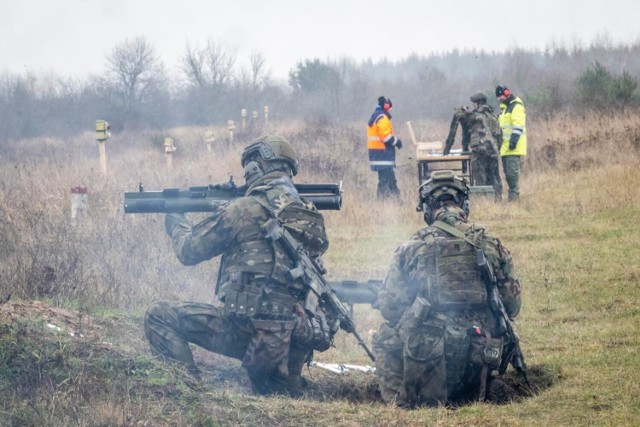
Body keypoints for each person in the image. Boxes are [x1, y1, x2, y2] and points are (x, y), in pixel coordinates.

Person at [144, 135, 334, 397]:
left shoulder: (242, 210)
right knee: (277, 399)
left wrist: (176, 220)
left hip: (250, 334)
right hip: (294, 340)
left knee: (159, 315)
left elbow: (189, 251)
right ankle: (282, 382)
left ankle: (190, 397)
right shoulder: (310, 215)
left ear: (256, 167)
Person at [372, 170, 522, 408]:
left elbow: (390, 309)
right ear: (465, 205)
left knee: (383, 337)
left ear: (428, 211)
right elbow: (512, 306)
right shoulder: (492, 244)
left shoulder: (411, 248)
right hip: (481, 356)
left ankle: (401, 404)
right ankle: (478, 392)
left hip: (428, 363)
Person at [468, 92, 503, 201]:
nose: (473, 106)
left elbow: (469, 131)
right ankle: (497, 200)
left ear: (479, 104)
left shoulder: (477, 116)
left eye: (474, 104)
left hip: (480, 152)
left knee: (480, 177)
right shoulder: (493, 116)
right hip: (493, 151)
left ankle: (482, 203)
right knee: (493, 176)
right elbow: (499, 135)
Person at [367, 96, 403, 199]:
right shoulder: (382, 118)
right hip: (383, 155)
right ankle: (396, 202)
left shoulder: (375, 116)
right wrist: (397, 142)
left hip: (377, 155)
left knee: (383, 181)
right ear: (386, 106)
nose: (390, 110)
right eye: (390, 108)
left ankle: (383, 202)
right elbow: (385, 137)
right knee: (389, 181)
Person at [495, 85, 527, 202]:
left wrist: (513, 142)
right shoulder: (504, 108)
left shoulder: (516, 106)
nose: (499, 99)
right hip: (505, 148)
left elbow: (518, 126)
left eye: (501, 96)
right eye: (498, 97)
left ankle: (514, 202)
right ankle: (511, 200)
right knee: (508, 176)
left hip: (513, 148)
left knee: (512, 177)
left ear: (507, 93)